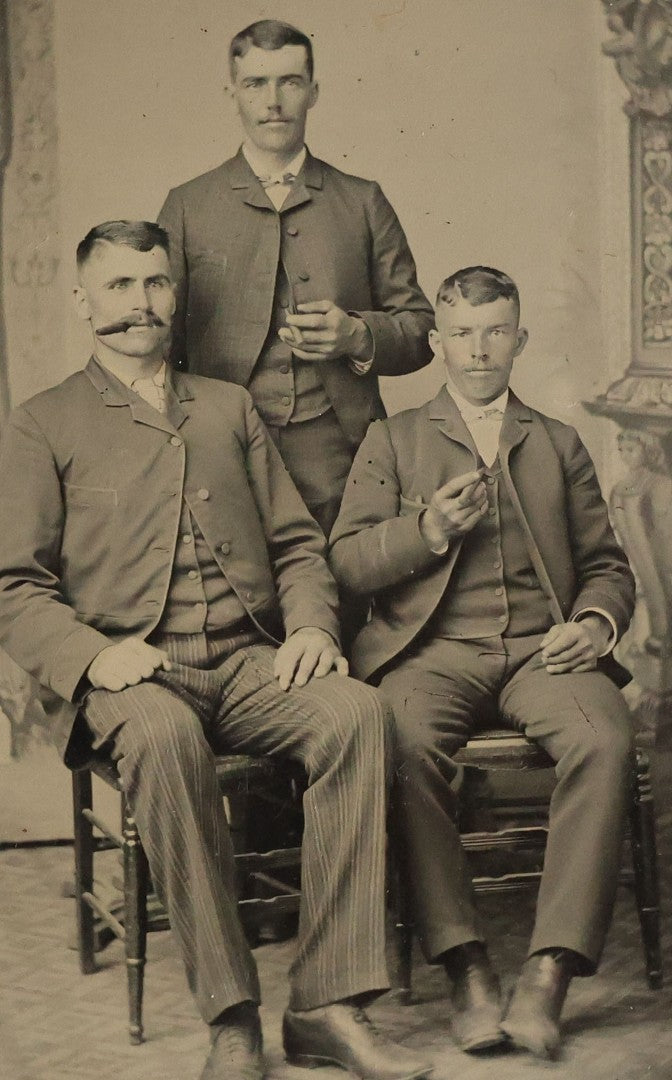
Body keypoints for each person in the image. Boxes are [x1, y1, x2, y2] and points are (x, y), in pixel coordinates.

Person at [0, 221, 433, 1080]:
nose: (140, 305)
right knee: (162, 739)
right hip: (135, 670)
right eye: (119, 287)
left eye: (155, 284)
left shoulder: (227, 406)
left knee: (356, 714)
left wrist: (311, 626)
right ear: (84, 301)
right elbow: (12, 584)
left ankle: (327, 1007)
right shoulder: (41, 423)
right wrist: (90, 656)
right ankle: (232, 1017)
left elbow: (299, 545)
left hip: (247, 658)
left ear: (176, 294)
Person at [329, 266, 636, 1060]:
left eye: (496, 331)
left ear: (520, 339)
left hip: (545, 652)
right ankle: (465, 963)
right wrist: (426, 529)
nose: (478, 351)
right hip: (432, 654)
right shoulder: (392, 439)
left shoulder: (558, 441)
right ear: (435, 342)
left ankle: (548, 971)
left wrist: (598, 624)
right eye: (461, 333)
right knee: (397, 741)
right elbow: (350, 562)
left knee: (604, 741)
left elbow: (607, 564)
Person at [157, 18, 434, 537]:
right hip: (222, 447)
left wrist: (356, 334)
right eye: (255, 84)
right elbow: (160, 340)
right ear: (232, 93)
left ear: (313, 92)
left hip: (340, 451)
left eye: (290, 81)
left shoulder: (362, 200)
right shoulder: (188, 206)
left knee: (341, 596)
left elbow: (421, 330)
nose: (273, 101)